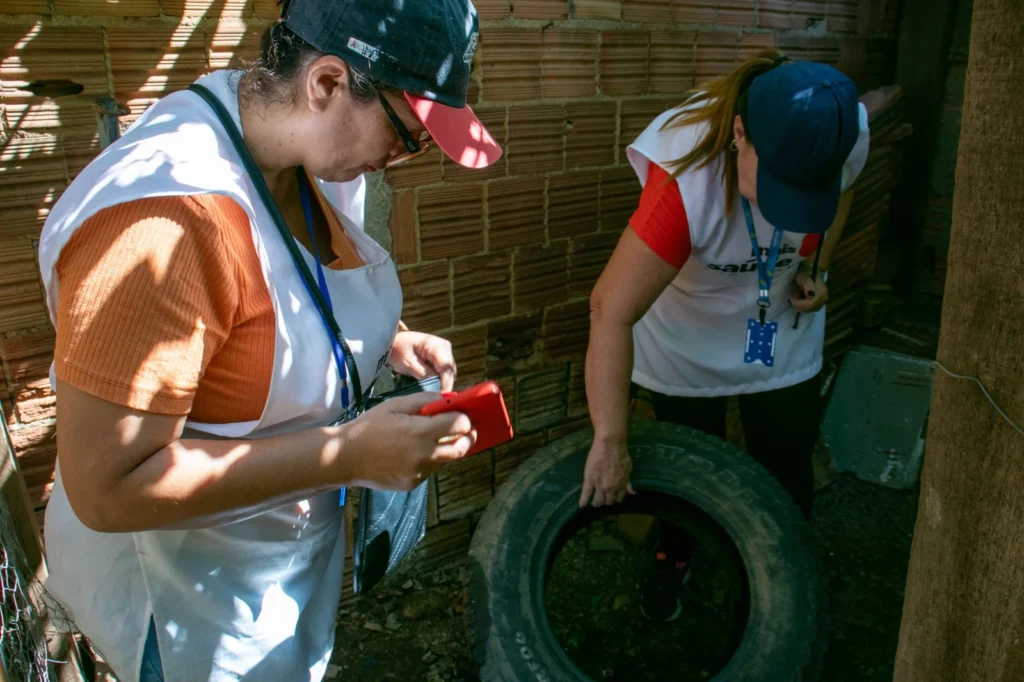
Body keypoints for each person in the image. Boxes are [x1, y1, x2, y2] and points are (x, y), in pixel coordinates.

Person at [36, 1, 501, 681]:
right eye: (409, 135)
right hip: (189, 613)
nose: (402, 159)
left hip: (271, 576)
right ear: (328, 84)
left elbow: (281, 294)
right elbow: (108, 488)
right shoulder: (162, 223)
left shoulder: (298, 150)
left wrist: (383, 341)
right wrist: (348, 453)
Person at [579, 50, 870, 622]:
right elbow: (609, 311)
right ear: (740, 134)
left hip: (780, 319)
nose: (788, 203)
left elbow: (847, 191)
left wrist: (819, 266)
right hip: (688, 327)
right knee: (687, 461)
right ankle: (675, 556)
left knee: (786, 460)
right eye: (779, 181)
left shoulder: (844, 131)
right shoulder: (686, 180)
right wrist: (610, 440)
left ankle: (785, 579)